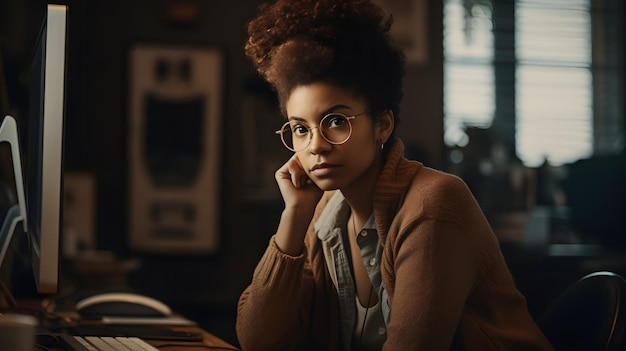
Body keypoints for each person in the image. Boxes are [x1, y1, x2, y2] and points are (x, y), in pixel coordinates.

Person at [236, 0, 554, 350]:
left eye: (337, 121)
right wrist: (294, 216)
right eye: (300, 129)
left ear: (382, 125)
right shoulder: (324, 213)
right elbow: (257, 340)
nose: (316, 146)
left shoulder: (432, 205)